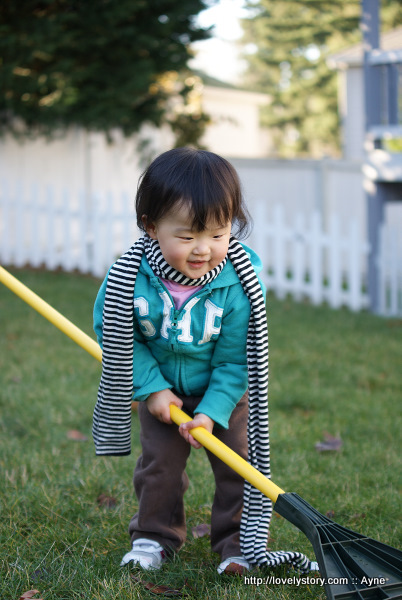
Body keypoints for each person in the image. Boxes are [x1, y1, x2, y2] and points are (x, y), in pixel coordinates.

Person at [92, 147, 311, 575]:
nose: (204, 249)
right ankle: (153, 538)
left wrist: (212, 412)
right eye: (188, 236)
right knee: (159, 470)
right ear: (151, 227)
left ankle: (237, 547)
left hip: (225, 394)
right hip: (163, 394)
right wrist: (152, 389)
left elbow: (237, 359)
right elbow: (117, 336)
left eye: (218, 233)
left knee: (238, 470)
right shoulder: (128, 278)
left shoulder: (237, 286)